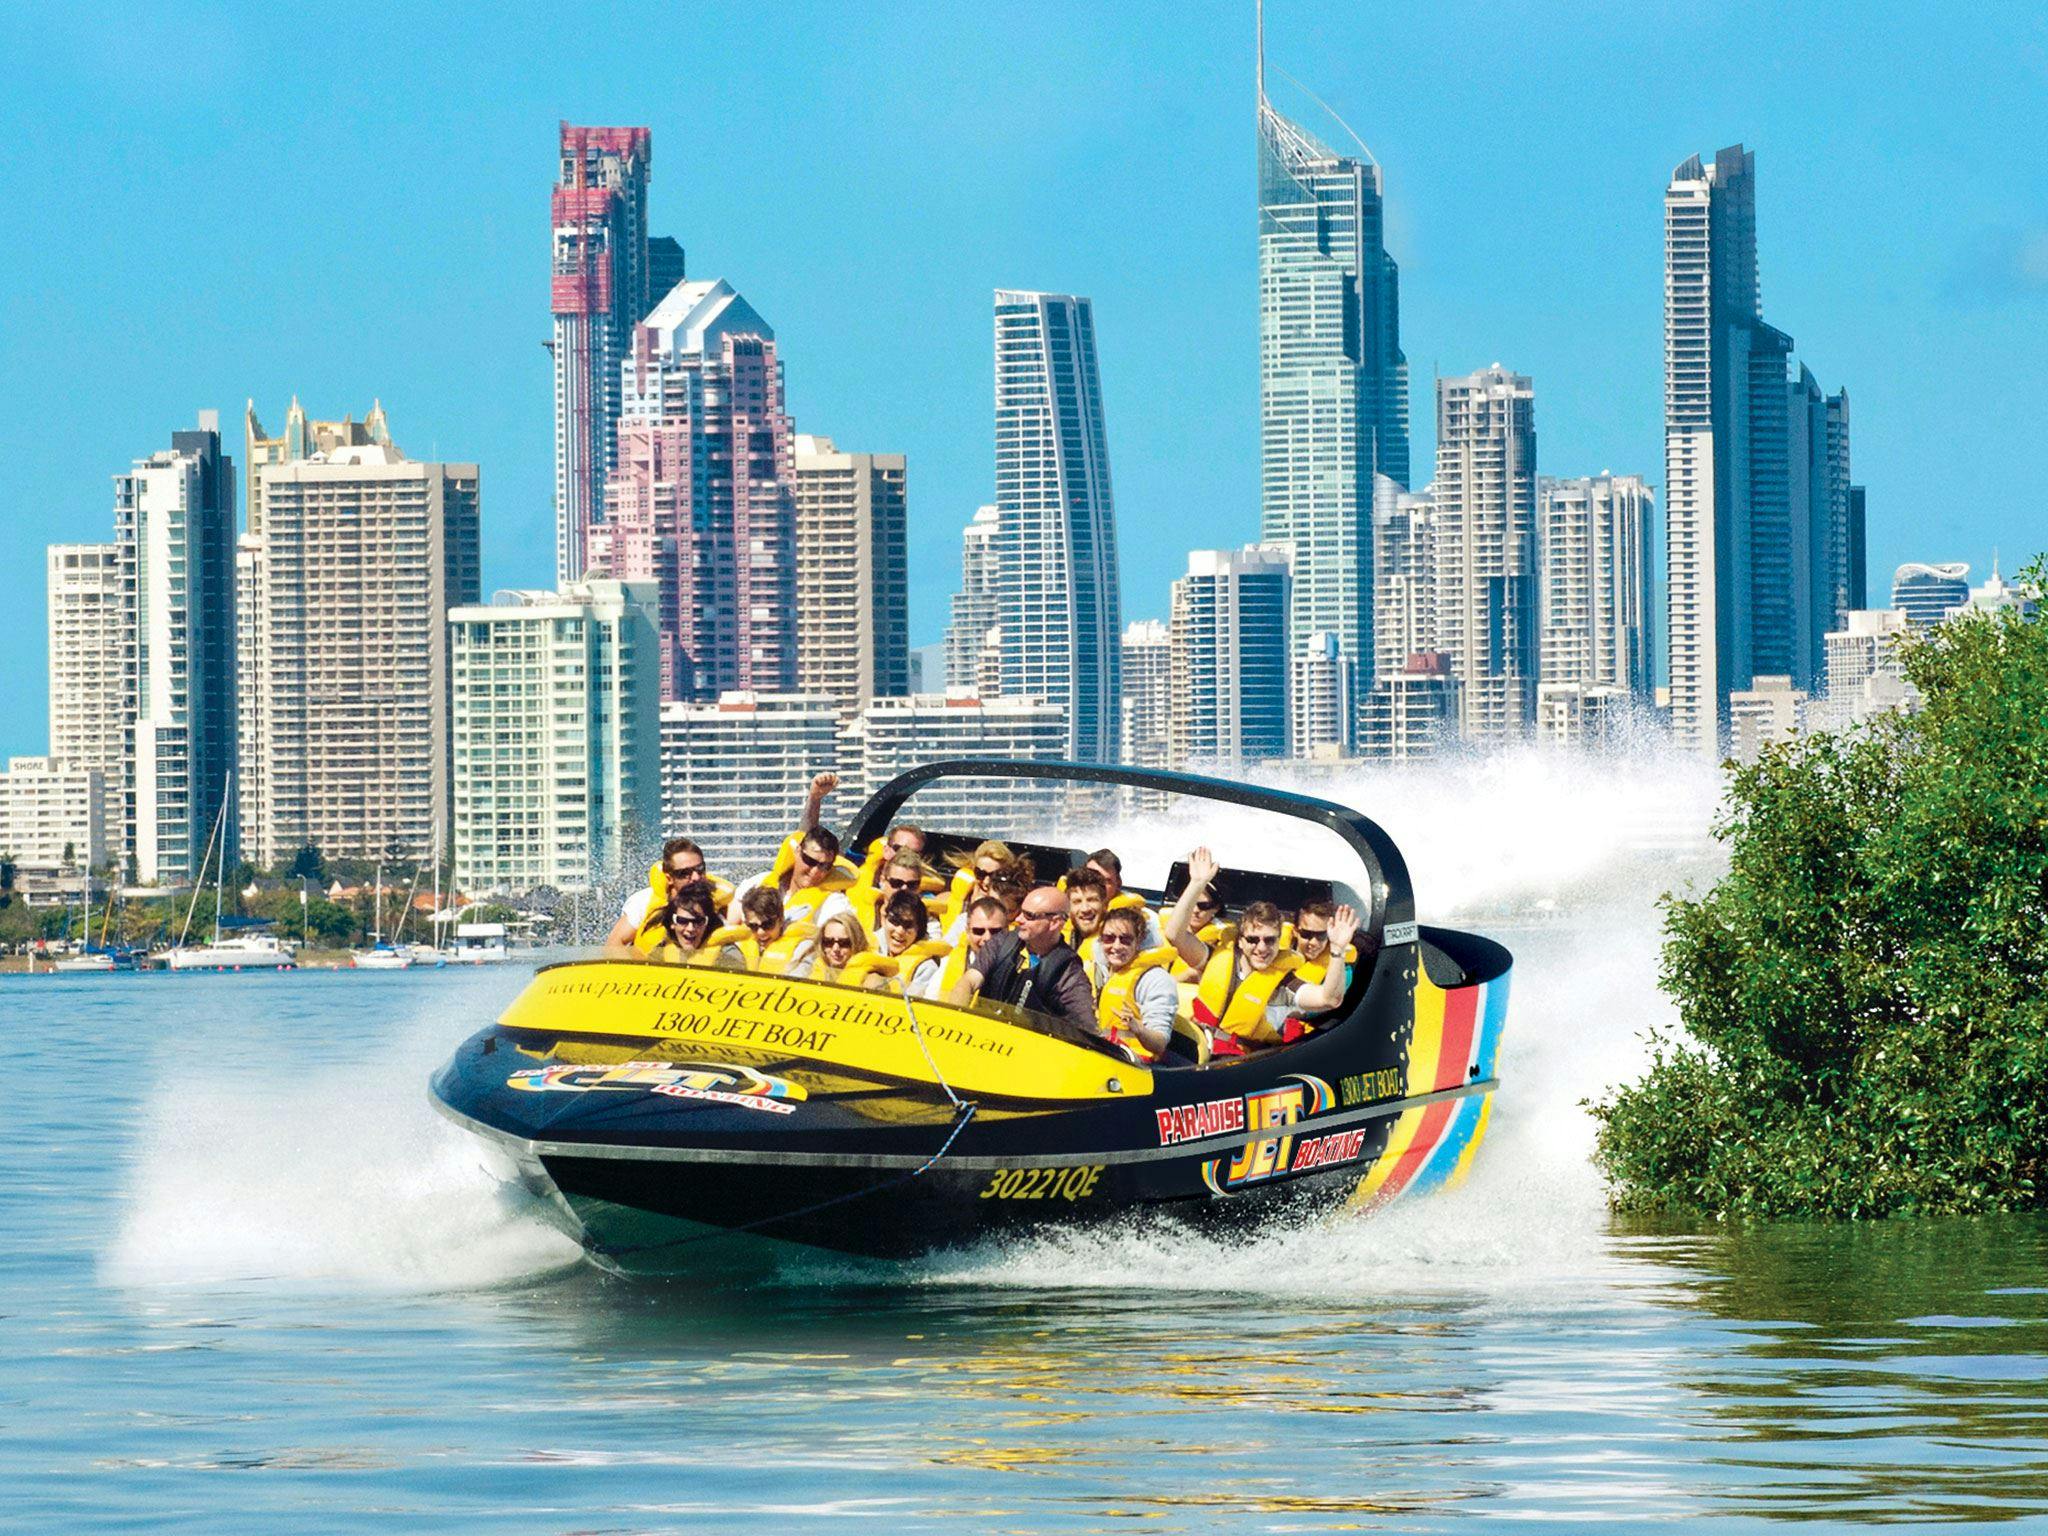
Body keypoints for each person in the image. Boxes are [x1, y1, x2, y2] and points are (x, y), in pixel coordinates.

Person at [1165, 847, 1356, 1055]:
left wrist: (1337, 949)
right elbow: (1175, 934)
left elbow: (1329, 999)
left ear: (1279, 941)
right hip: (1195, 1045)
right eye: (1253, 940)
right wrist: (1197, 884)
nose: (1262, 947)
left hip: (1235, 1064)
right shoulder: (1215, 958)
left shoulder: (1284, 987)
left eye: (1270, 940)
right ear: (1240, 942)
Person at [947, 884, 1096, 1031]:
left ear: (1055, 922)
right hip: (982, 1035)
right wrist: (955, 1018)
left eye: (1029, 915)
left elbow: (1085, 1027)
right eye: (1021, 912)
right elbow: (969, 981)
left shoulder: (1069, 973)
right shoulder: (1000, 943)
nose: (1018, 919)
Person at [605, 837, 731, 954]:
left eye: (700, 869)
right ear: (669, 878)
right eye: (684, 873)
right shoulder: (643, 902)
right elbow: (613, 945)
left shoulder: (722, 903)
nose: (695, 877)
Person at [1091, 906, 1179, 1063]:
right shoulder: (1097, 971)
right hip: (1102, 1054)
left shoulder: (1156, 979)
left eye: (1125, 940)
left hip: (1137, 1066)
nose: (1116, 946)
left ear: (1139, 941)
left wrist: (1138, 1029)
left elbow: (1160, 1043)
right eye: (1109, 938)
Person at [910, 896, 1005, 1000]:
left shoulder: (1019, 965)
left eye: (995, 932)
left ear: (1007, 930)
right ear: (968, 931)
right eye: (979, 931)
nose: (987, 938)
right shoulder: (946, 963)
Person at [1085, 847, 1165, 946]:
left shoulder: (1147, 921)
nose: (1096, 885)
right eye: (1090, 878)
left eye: (1105, 881)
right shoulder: (1066, 910)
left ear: (1118, 883)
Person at [733, 886, 816, 974]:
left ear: (781, 920)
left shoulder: (802, 947)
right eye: (753, 926)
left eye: (768, 924)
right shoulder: (737, 945)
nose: (761, 932)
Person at [1063, 866, 1111, 968]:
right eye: (1077, 902)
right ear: (1067, 908)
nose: (1085, 909)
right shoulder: (1058, 942)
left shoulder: (1117, 946)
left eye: (1092, 900)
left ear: (1105, 905)